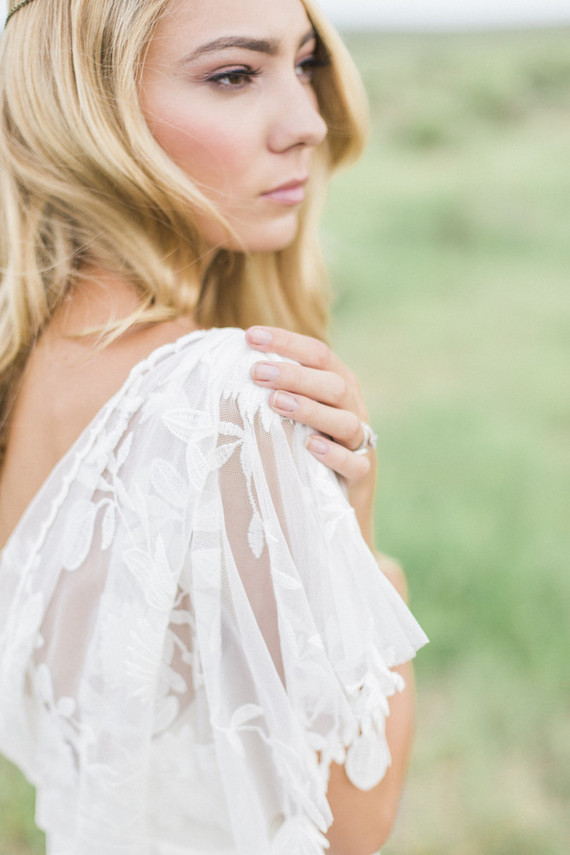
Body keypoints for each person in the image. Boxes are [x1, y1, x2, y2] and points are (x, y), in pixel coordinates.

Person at [0, 0, 428, 853]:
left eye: (305, 64)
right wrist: (369, 549)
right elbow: (351, 821)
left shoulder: (30, 360)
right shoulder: (223, 397)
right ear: (93, 111)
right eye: (234, 74)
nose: (307, 122)